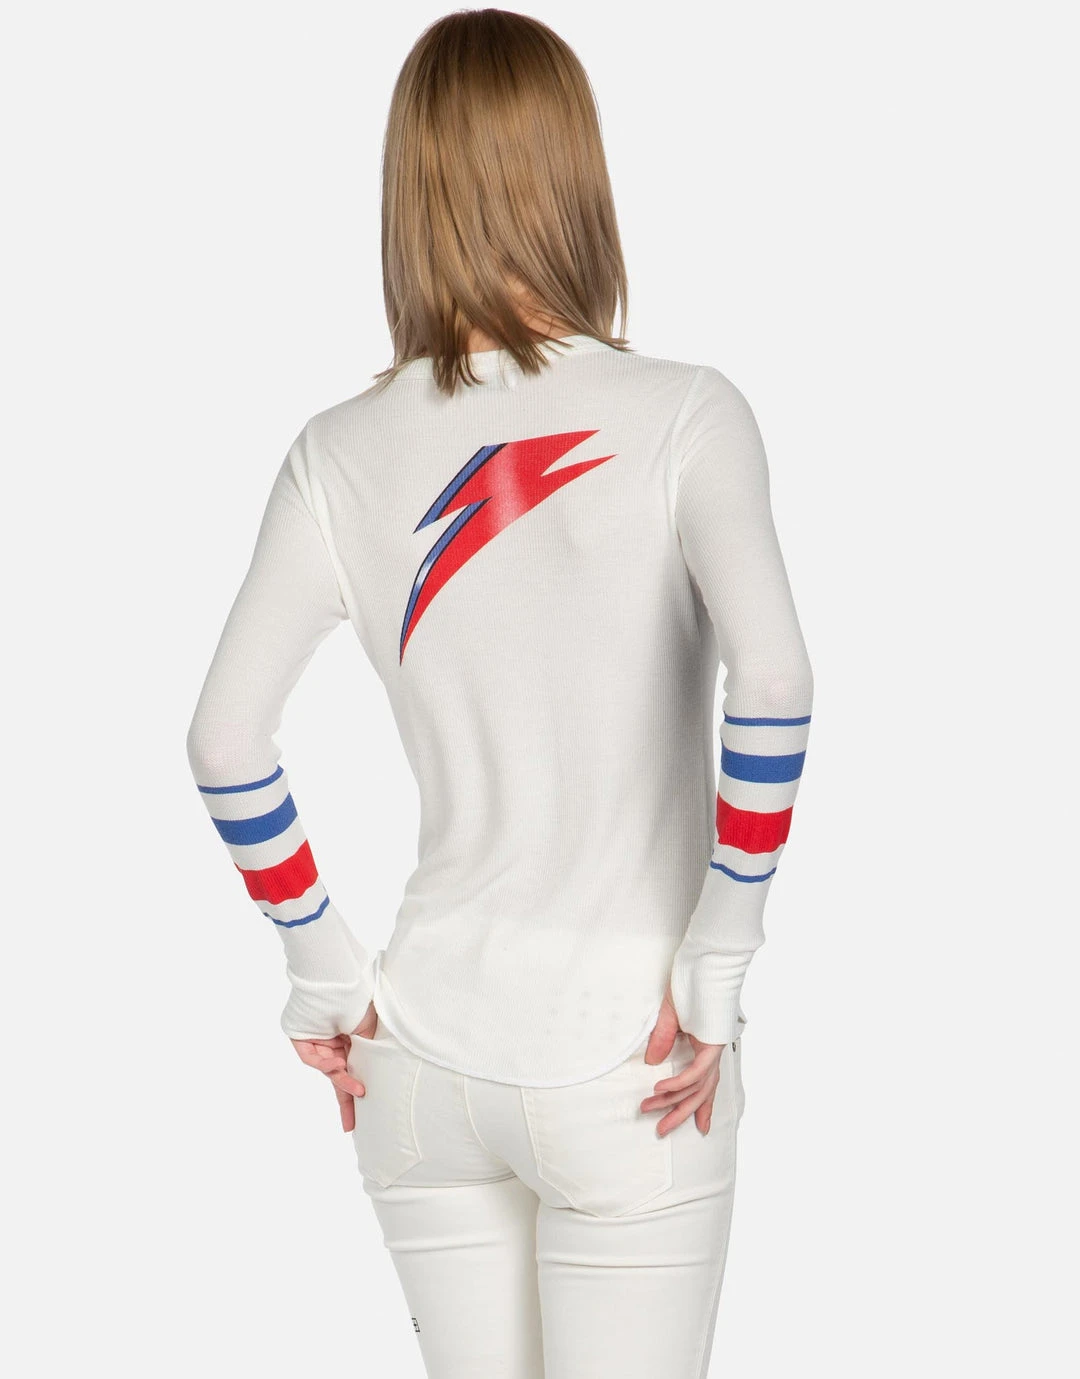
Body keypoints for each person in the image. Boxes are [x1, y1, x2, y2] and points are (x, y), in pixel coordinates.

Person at [185, 9, 814, 1377]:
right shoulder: (686, 413)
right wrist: (716, 966)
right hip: (630, 1057)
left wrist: (321, 973)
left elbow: (226, 741)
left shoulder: (337, 452)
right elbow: (771, 685)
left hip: (420, 1053)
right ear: (575, 171)